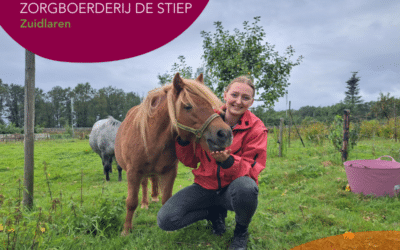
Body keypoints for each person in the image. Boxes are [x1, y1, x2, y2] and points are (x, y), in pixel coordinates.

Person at [157, 76, 268, 250]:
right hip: (205, 187)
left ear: (251, 102)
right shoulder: (207, 119)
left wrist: (228, 161)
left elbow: (253, 169)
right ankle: (213, 213)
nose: (238, 102)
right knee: (166, 220)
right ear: (225, 95)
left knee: (247, 187)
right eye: (234, 95)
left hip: (232, 190)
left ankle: (240, 233)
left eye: (245, 98)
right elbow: (191, 161)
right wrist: (184, 140)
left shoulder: (256, 129)